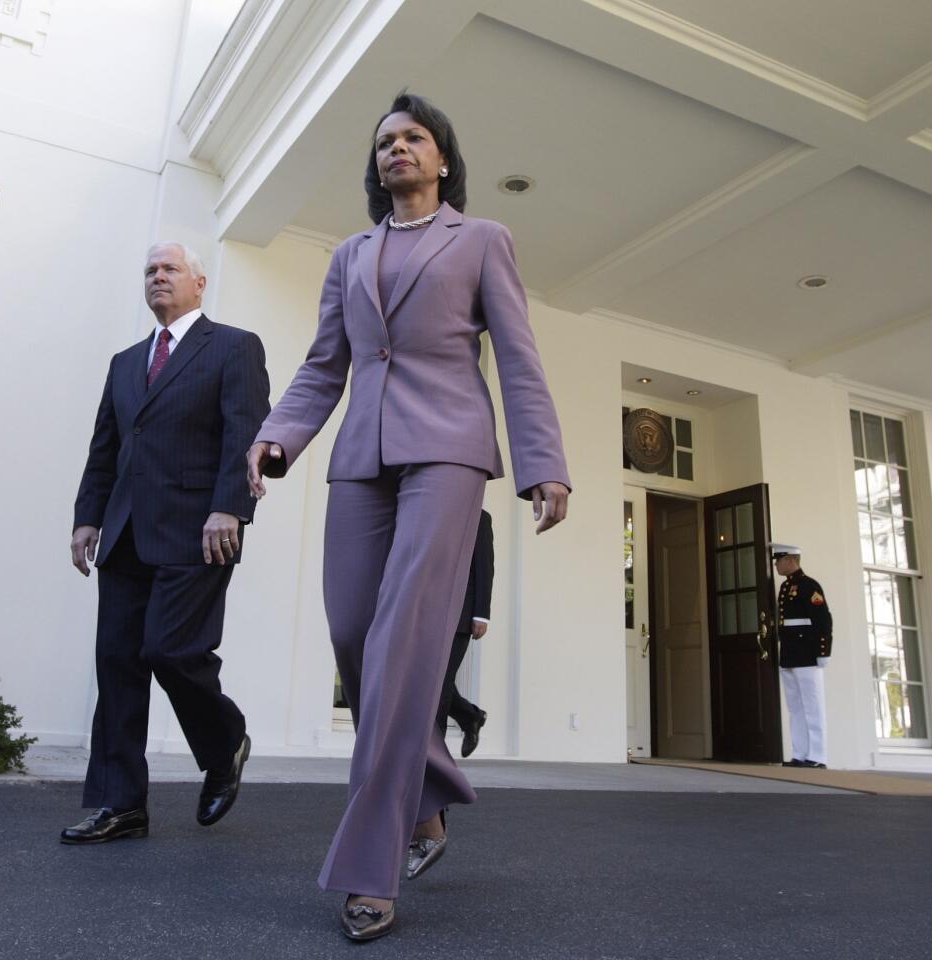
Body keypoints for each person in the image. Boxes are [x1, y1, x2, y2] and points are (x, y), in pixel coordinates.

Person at [246, 93, 570, 942]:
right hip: (359, 459)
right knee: (355, 639)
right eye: (385, 141)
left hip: (449, 454)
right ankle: (428, 799)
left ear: (441, 157)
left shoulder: (482, 240)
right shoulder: (348, 254)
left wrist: (541, 464)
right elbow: (325, 365)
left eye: (412, 138)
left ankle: (369, 866)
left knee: (402, 648)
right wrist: (279, 436)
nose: (397, 148)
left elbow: (519, 358)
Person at [63, 241, 270, 844]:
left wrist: (230, 506)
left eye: (169, 268)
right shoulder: (125, 362)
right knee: (118, 667)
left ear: (199, 283)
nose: (158, 277)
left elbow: (245, 431)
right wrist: (87, 517)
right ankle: (119, 803)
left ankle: (225, 740)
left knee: (171, 649)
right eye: (149, 270)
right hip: (125, 533)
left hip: (199, 530)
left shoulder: (233, 346)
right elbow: (105, 448)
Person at [436, 508, 494, 758]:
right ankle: (470, 716)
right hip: (425, 611)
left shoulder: (480, 518)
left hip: (460, 615)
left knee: (439, 683)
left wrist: (481, 613)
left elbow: (485, 566)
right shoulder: (428, 510)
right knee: (432, 681)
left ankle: (433, 753)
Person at [772, 543, 832, 769]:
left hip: (807, 652)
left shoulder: (809, 585)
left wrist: (823, 651)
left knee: (812, 705)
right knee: (795, 706)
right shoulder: (786, 587)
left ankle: (817, 755)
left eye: (779, 560)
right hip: (789, 651)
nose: (776, 565)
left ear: (790, 560)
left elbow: (823, 619)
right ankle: (800, 753)